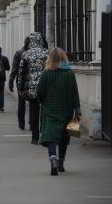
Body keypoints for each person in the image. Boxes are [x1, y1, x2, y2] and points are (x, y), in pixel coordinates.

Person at [38, 48, 81, 176]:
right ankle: (61, 163)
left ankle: (52, 160)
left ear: (50, 58)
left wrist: (43, 102)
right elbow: (74, 93)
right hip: (66, 111)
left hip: (50, 110)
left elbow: (40, 91)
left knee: (51, 137)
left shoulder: (46, 73)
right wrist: (77, 110)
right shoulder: (69, 74)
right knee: (63, 137)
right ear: (63, 58)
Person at [17, 32, 48, 144]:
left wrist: (20, 88)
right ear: (41, 40)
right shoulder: (47, 53)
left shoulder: (25, 54)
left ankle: (34, 138)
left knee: (33, 111)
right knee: (45, 111)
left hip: (30, 88)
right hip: (45, 87)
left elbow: (20, 73)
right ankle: (44, 133)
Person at [9, 37, 30, 130]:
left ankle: (21, 124)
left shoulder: (19, 53)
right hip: (33, 82)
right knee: (34, 103)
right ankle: (32, 123)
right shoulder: (35, 54)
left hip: (21, 82)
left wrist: (11, 81)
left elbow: (14, 69)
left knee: (21, 103)